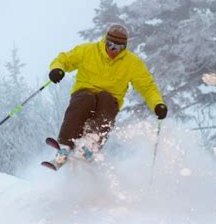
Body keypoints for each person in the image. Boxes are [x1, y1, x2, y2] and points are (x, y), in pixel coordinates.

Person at [48, 24, 167, 161]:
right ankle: (65, 145)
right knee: (86, 99)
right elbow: (63, 59)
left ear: (124, 47)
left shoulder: (132, 63)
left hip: (110, 99)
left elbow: (147, 87)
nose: (113, 50)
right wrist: (57, 69)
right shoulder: (88, 51)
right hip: (84, 93)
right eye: (110, 44)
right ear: (105, 40)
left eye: (118, 47)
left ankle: (90, 145)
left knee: (106, 100)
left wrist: (157, 104)